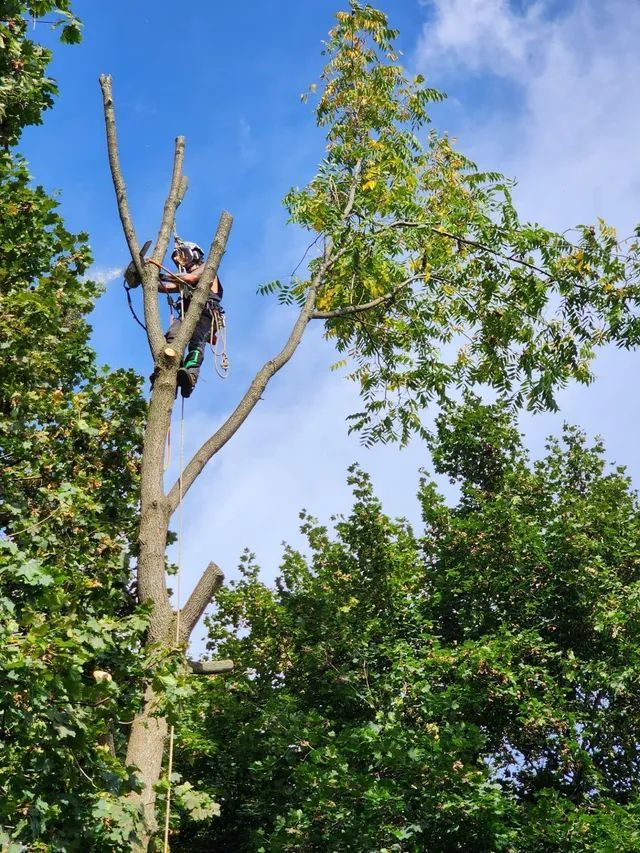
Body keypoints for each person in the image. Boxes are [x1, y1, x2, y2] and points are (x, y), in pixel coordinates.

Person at [156, 240, 224, 398]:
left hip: (206, 312)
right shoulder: (181, 280)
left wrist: (163, 275)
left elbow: (191, 278)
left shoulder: (207, 268)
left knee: (196, 341)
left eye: (184, 255)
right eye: (177, 258)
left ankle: (191, 376)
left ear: (195, 254)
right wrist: (149, 276)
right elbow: (165, 287)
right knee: (171, 337)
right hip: (186, 316)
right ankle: (169, 371)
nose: (181, 260)